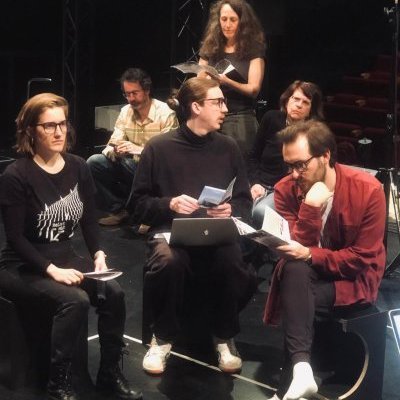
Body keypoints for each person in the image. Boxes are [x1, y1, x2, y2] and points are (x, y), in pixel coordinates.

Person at [0, 93, 142, 400]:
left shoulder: (78, 166)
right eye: (49, 126)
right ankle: (58, 382)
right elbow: (15, 238)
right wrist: (52, 270)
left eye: (62, 124)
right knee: (74, 300)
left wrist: (99, 255)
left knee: (114, 293)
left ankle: (109, 372)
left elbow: (89, 220)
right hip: (21, 265)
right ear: (31, 131)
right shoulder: (16, 175)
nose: (58, 132)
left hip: (64, 256)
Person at [129, 77, 256, 375]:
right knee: (169, 261)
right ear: (196, 107)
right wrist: (169, 204)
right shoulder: (159, 148)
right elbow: (136, 206)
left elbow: (244, 201)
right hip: (171, 233)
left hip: (216, 233)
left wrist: (231, 209)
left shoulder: (228, 147)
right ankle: (162, 338)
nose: (225, 109)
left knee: (232, 260)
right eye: (218, 102)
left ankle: (223, 336)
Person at [263, 120, 386, 400]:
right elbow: (294, 247)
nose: (294, 174)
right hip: (308, 274)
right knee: (294, 271)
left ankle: (290, 383)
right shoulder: (285, 190)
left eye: (301, 165)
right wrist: (310, 207)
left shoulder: (368, 190)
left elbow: (361, 259)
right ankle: (302, 372)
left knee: (296, 296)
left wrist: (310, 254)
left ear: (325, 156)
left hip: (353, 280)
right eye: (289, 166)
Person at [87, 67, 178, 226]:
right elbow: (110, 145)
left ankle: (139, 211)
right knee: (94, 162)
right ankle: (120, 210)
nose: (131, 98)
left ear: (147, 90)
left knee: (131, 164)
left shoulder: (165, 113)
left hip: (155, 171)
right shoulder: (125, 112)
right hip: (130, 165)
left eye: (135, 93)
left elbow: (169, 153)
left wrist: (139, 150)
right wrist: (116, 151)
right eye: (127, 94)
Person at [248, 80, 323, 229]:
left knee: (260, 212)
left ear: (311, 109)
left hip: (286, 191)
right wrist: (255, 182)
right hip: (260, 184)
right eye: (295, 99)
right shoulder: (271, 118)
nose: (299, 105)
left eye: (305, 102)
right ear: (287, 100)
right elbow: (253, 156)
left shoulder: (314, 133)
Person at [198, 0, 266, 158]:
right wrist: (208, 79)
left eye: (233, 20)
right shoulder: (210, 46)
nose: (227, 25)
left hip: (239, 117)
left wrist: (228, 81)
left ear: (242, 22)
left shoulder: (253, 50)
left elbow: (254, 89)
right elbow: (199, 79)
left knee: (237, 162)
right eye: (223, 19)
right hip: (210, 114)